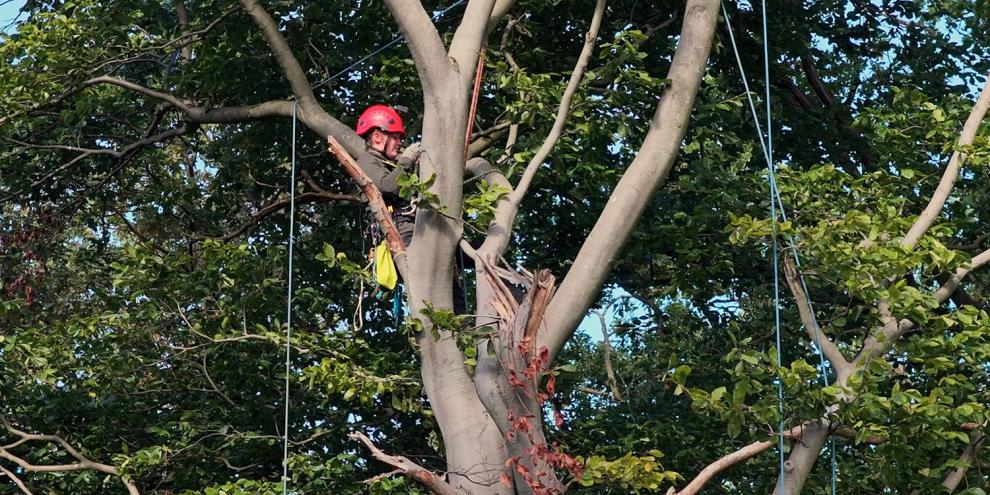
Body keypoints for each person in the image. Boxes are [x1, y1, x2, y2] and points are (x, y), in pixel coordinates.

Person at [354, 104, 420, 248]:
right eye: (395, 137)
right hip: (397, 230)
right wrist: (407, 160)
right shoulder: (366, 161)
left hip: (415, 226)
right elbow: (387, 186)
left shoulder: (392, 164)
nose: (399, 143)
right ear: (377, 137)